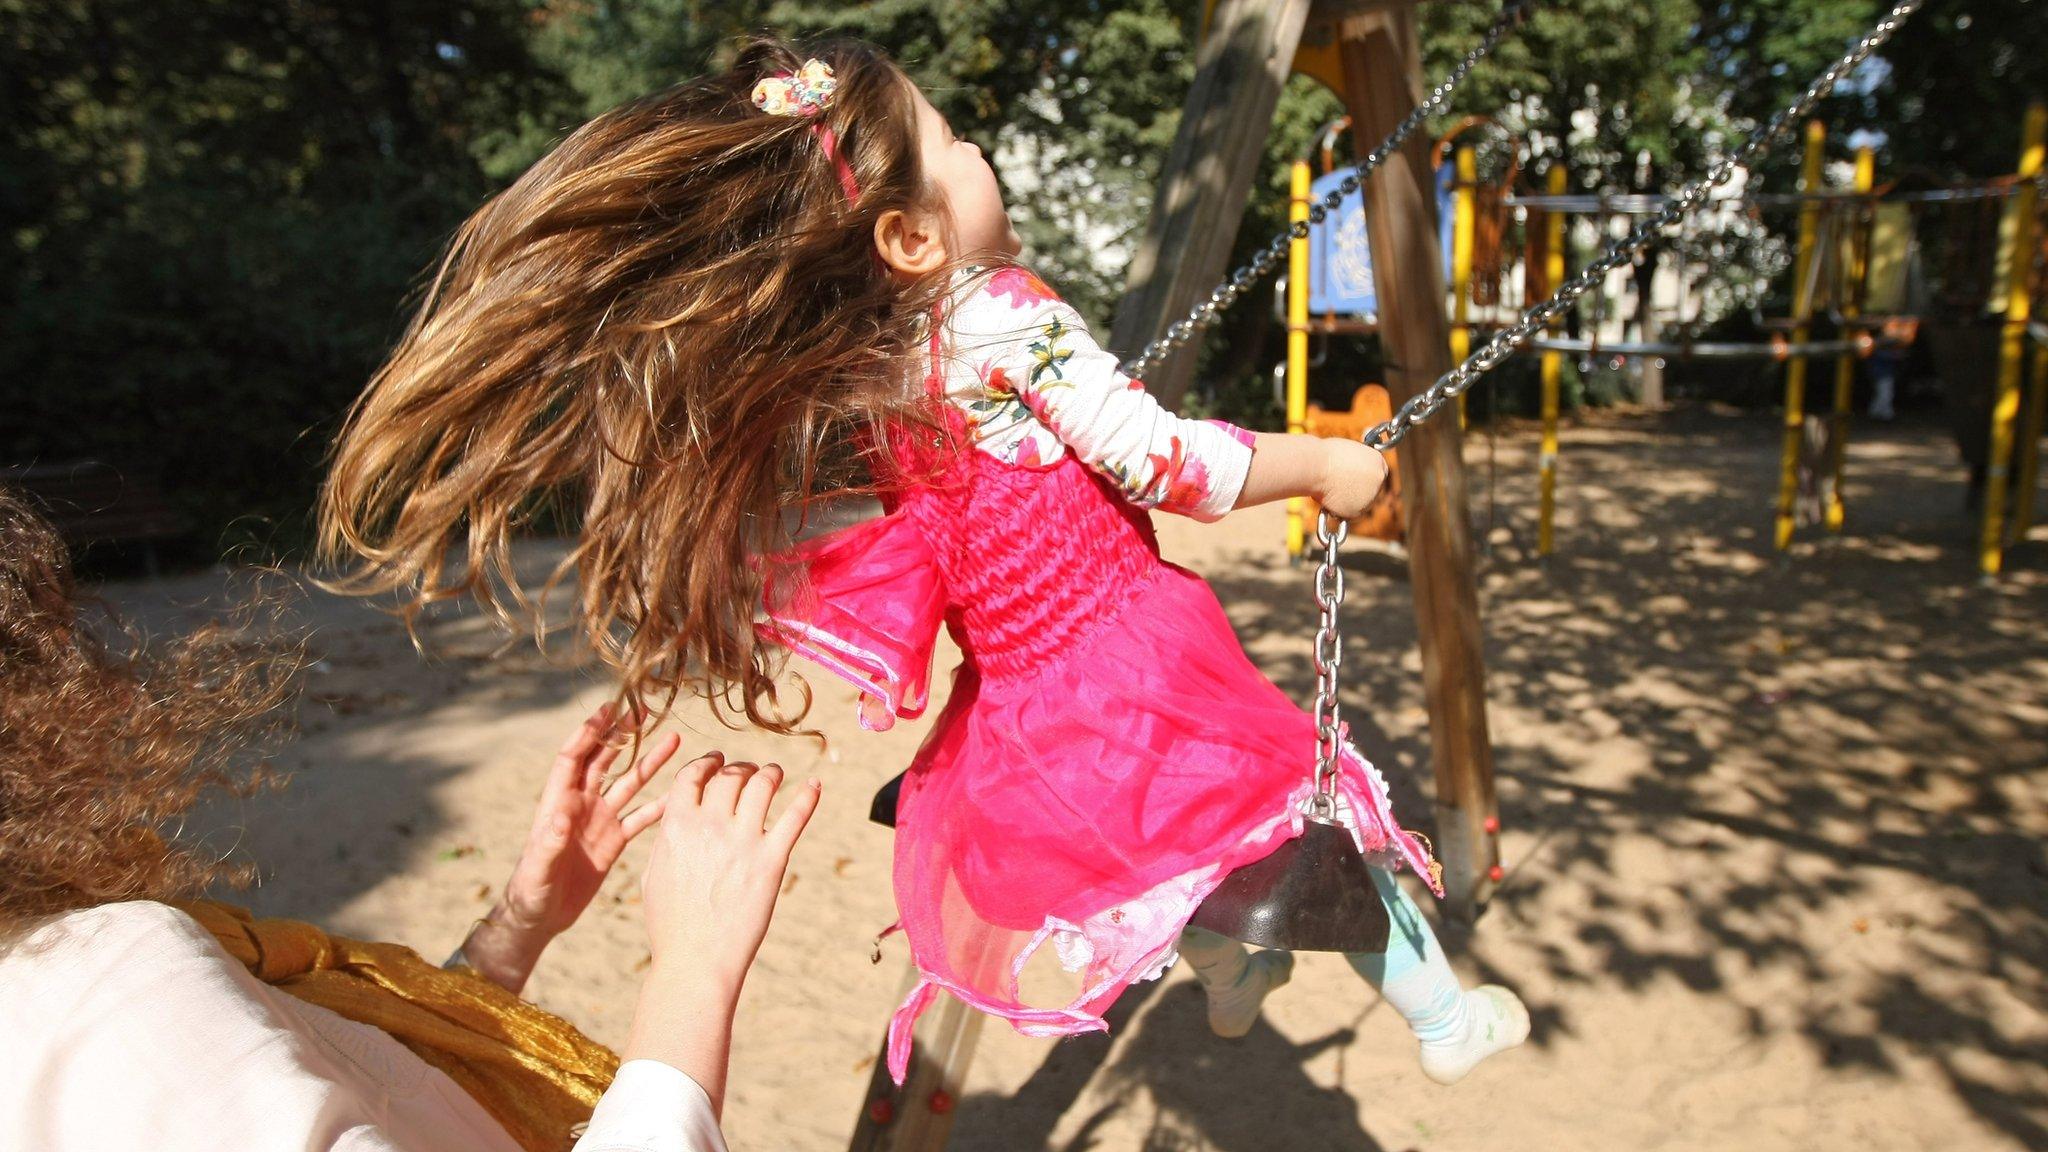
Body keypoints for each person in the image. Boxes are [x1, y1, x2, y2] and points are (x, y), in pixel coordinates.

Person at [319, 37, 1527, 1088]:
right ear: (907, 234)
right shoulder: (1011, 312)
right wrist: (1319, 466)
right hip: (1126, 651)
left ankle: (1218, 962)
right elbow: (1168, 467)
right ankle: (1442, 1018)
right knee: (1299, 799)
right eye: (952, 141)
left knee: (1177, 841)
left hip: (1018, 700)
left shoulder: (873, 362)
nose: (978, 147)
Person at [0, 487, 819, 1151]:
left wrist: (517, 926)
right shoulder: (100, 988)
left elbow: (372, 1088)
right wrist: (694, 966)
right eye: (64, 643)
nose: (106, 683)